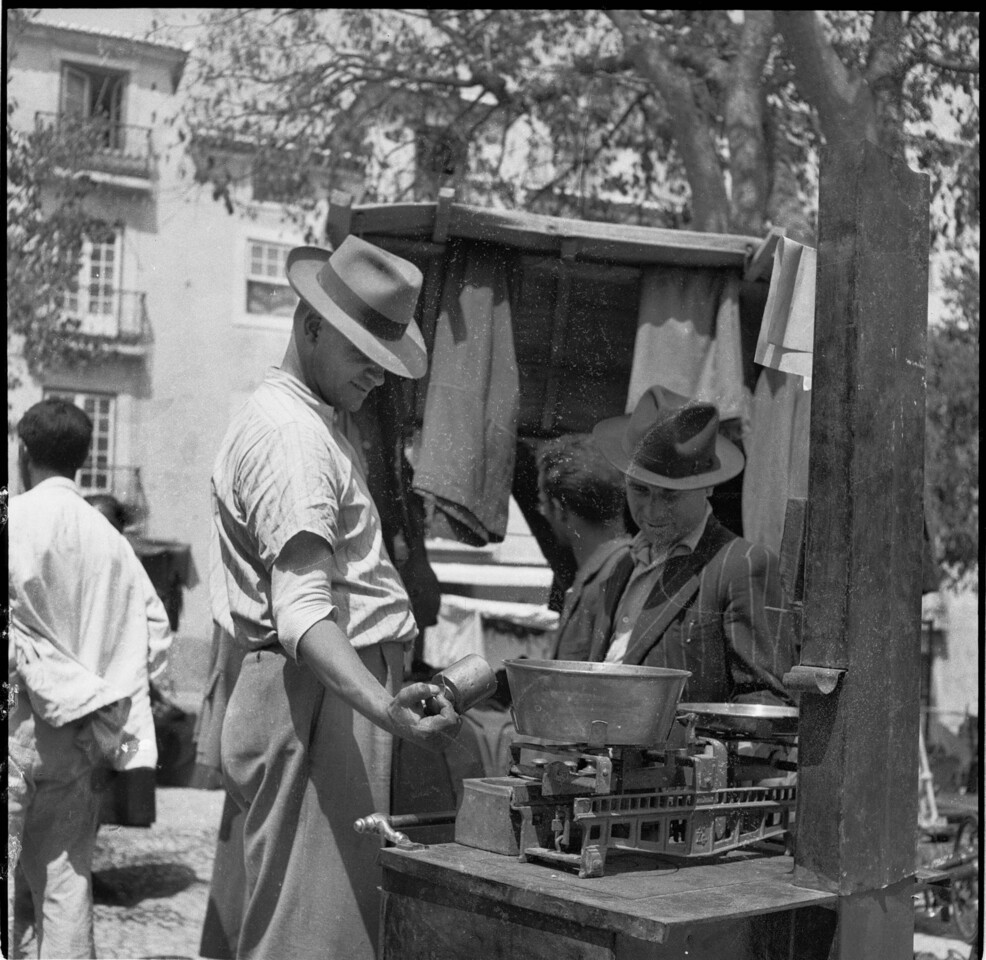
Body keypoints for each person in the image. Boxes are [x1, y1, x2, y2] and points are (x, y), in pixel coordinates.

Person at [209, 234, 461, 960]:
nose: (378, 376)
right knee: (315, 942)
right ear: (311, 326)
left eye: (387, 359)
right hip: (322, 700)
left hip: (325, 697)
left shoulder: (305, 421)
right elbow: (303, 612)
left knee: (320, 930)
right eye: (363, 353)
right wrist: (383, 707)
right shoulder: (294, 439)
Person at [8, 399, 160, 959]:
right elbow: (155, 633)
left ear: (23, 452)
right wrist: (102, 681)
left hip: (17, 719)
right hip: (80, 735)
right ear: (84, 457)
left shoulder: (14, 518)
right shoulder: (112, 541)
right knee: (65, 883)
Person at [581, 385, 795, 705]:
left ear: (708, 487)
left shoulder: (742, 565)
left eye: (670, 495)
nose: (653, 512)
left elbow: (768, 702)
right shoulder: (621, 563)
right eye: (639, 490)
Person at [536, 434, 630, 661]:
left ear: (559, 508)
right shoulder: (619, 567)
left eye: (542, 502)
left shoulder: (610, 579)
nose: (541, 511)